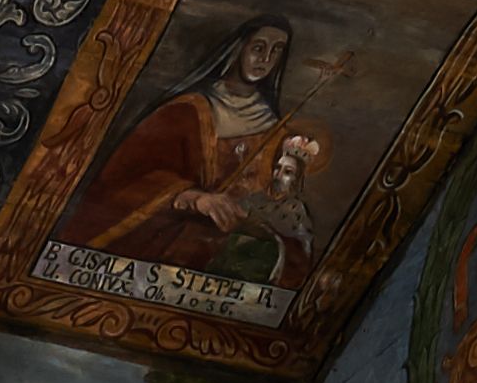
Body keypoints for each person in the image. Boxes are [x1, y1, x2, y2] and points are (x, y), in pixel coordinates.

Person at [67, 19, 303, 278]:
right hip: (173, 239)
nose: (266, 59)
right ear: (239, 48)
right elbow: (123, 177)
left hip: (236, 248)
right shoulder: (184, 112)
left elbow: (273, 198)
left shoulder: (277, 130)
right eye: (258, 48)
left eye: (277, 51)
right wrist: (192, 198)